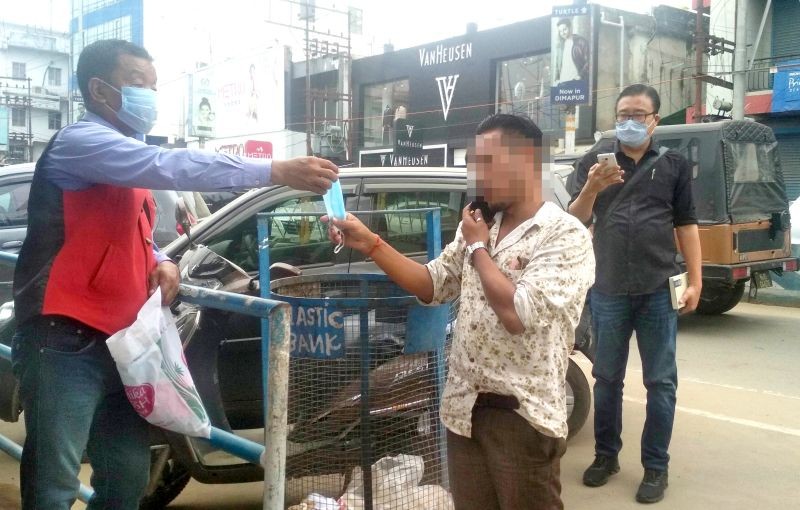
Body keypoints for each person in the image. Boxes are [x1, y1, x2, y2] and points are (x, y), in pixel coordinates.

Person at [10, 39, 338, 510]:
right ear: (100, 90)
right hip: (63, 342)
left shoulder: (125, 155)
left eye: (153, 86)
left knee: (125, 478)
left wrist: (161, 258)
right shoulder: (82, 143)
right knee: (54, 485)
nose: (150, 96)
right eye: (138, 84)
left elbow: (138, 231)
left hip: (125, 344)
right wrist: (275, 169)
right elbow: (170, 164)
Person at [327, 113, 595, 510]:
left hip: (522, 416)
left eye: (488, 162)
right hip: (463, 410)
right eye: (475, 163)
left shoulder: (563, 234)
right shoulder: (480, 225)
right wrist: (371, 244)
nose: (478, 174)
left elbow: (518, 313)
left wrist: (478, 248)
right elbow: (433, 284)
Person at [568, 84, 702, 504]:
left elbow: (686, 226)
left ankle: (656, 468)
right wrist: (591, 187)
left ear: (655, 121)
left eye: (638, 114)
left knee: (660, 382)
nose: (629, 121)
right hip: (607, 288)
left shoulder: (675, 165)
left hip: (657, 290)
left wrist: (695, 280)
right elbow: (573, 221)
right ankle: (606, 456)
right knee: (606, 378)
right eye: (622, 113)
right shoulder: (594, 161)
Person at [553, 17, 589, 86]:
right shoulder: (560, 45)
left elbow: (589, 61)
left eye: (565, 29)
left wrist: (580, 76)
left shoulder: (581, 41)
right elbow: (558, 64)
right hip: (563, 83)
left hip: (576, 82)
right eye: (560, 31)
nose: (562, 33)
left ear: (570, 27)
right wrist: (557, 79)